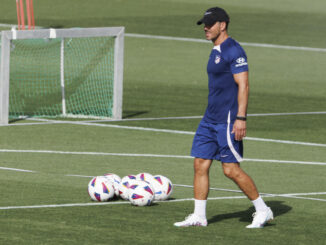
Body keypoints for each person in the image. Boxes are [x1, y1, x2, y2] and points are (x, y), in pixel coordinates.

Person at [174, 7, 273, 228]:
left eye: (210, 24)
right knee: (200, 163)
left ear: (223, 25)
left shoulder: (233, 51)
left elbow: (244, 85)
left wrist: (241, 118)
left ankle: (263, 209)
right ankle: (199, 216)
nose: (206, 28)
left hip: (227, 120)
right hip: (209, 119)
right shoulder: (216, 49)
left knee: (230, 170)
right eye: (204, 24)